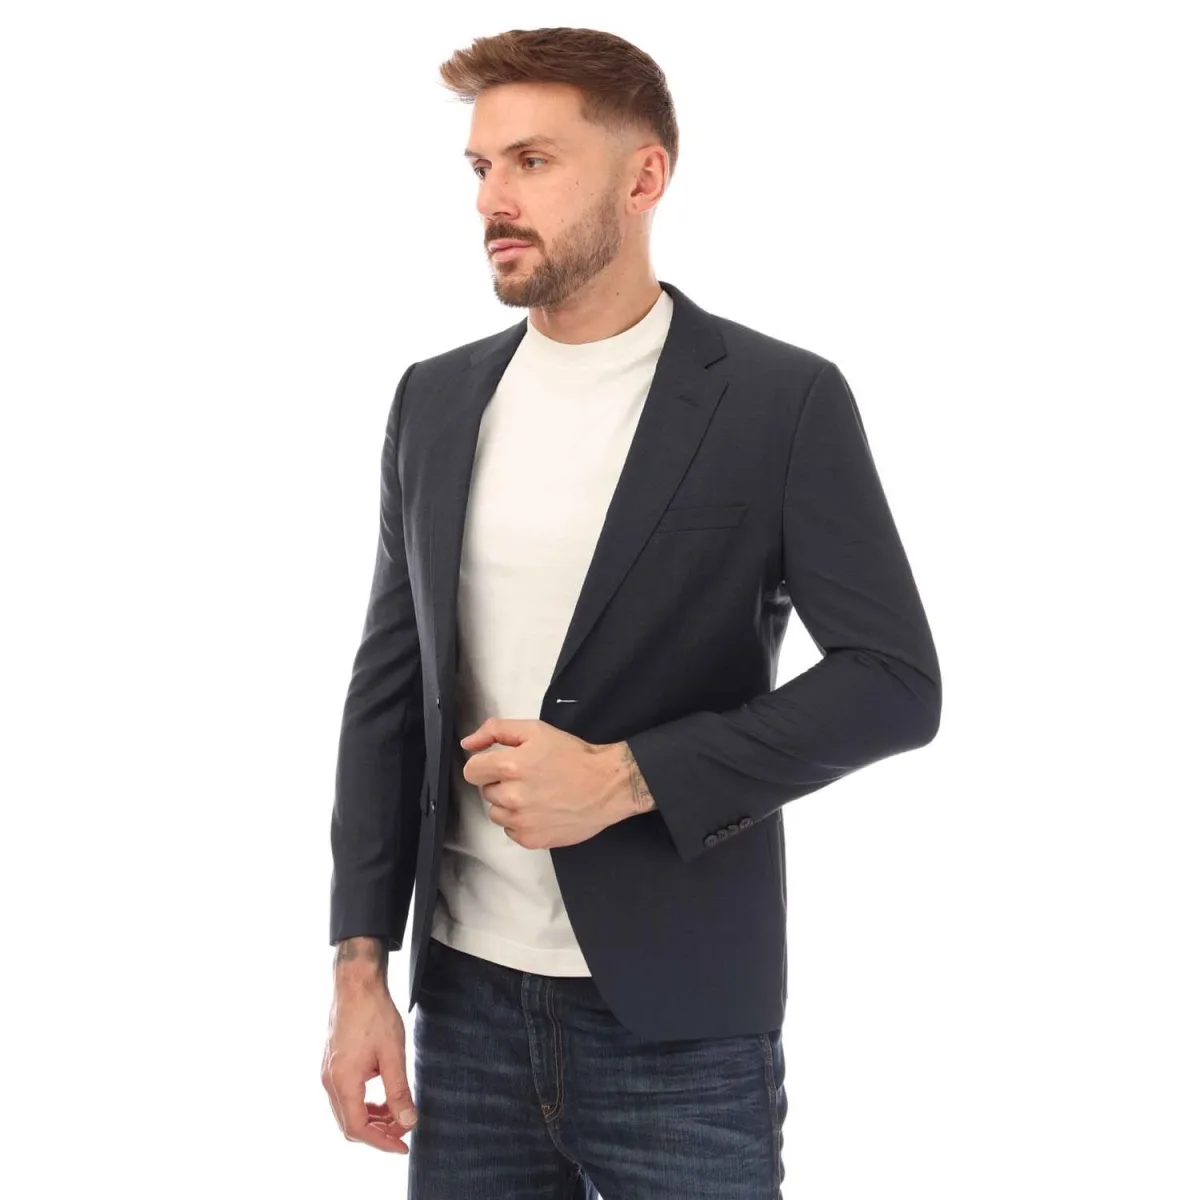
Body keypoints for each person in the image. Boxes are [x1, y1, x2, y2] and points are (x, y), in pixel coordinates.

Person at [320, 25, 941, 1199]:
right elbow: (387, 699)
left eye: (533, 162)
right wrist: (360, 970)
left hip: (680, 1023)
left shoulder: (779, 400)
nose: (493, 200)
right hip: (464, 1012)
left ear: (644, 176)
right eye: (481, 167)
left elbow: (894, 682)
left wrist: (628, 776)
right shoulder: (435, 400)